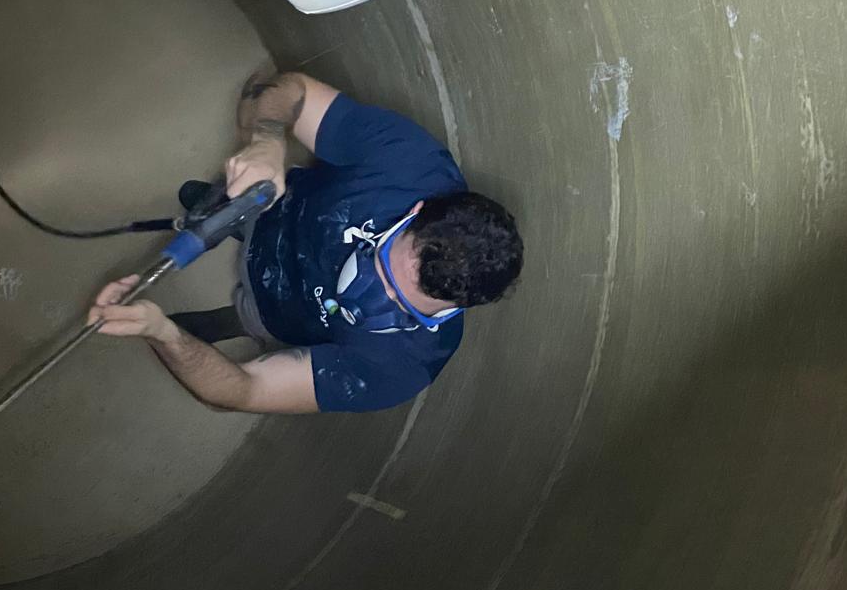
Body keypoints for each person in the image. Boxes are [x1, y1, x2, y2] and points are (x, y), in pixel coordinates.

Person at [87, 71, 523, 413]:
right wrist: (266, 143)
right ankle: (218, 213)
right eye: (384, 264)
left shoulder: (401, 367)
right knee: (226, 199)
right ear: (415, 211)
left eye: (401, 304)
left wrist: (163, 334)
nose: (367, 290)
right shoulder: (405, 165)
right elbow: (284, 89)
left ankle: (221, 323)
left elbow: (245, 391)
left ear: (455, 307)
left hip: (277, 314)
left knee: (246, 318)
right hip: (273, 208)